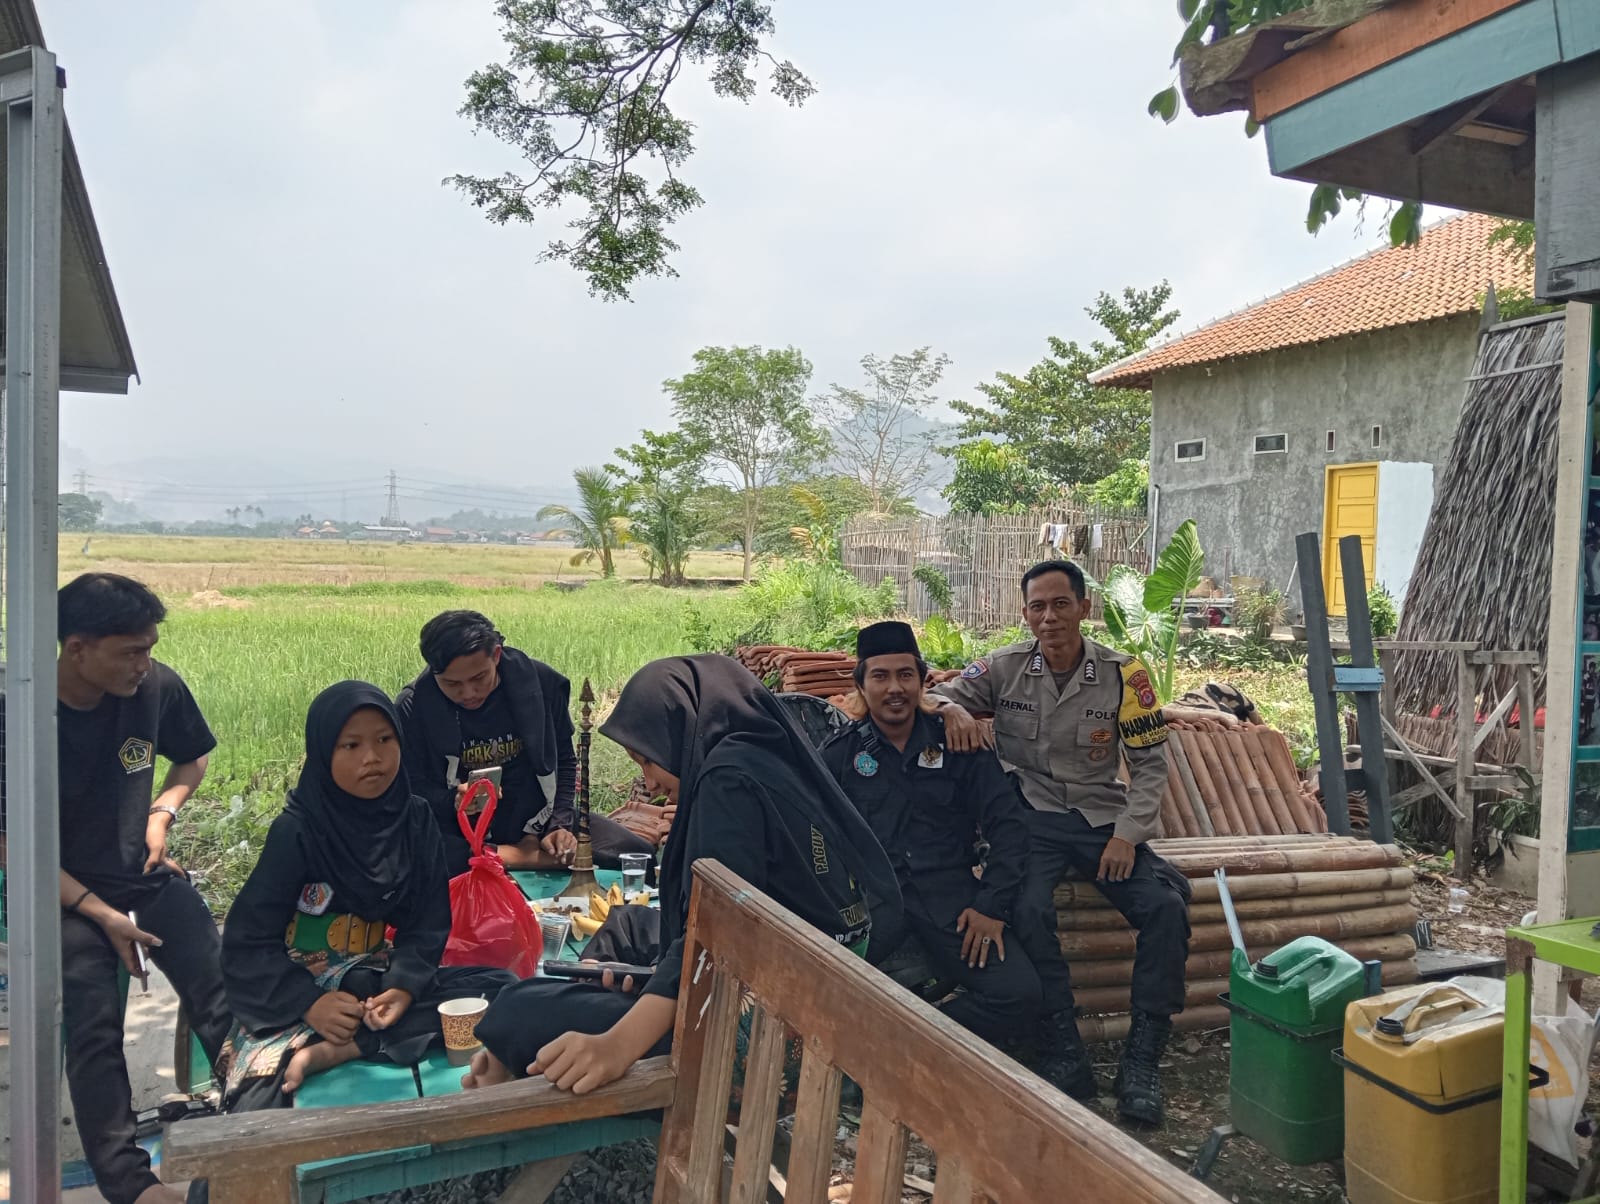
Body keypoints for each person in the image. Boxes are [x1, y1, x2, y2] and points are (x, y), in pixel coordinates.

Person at [463, 654, 901, 1096]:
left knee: (519, 1007)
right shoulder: (767, 753)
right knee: (628, 923)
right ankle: (597, 983)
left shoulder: (727, 783)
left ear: (682, 730)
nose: (650, 784)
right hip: (803, 969)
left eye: (647, 761)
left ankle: (498, 1089)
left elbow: (714, 936)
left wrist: (616, 1046)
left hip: (769, 1022)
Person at [932, 560, 1191, 1126]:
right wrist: (953, 709)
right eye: (1037, 607)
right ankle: (1064, 1050)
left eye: (1060, 604)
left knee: (1165, 908)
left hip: (1101, 818)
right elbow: (935, 696)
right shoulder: (1003, 668)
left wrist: (1128, 836)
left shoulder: (1126, 675)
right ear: (1026, 614)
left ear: (1083, 608)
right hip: (1029, 818)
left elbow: (1150, 768)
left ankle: (1141, 1061)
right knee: (1026, 909)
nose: (1048, 617)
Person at [0, 573, 230, 1204]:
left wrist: (162, 813)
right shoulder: (16, 710)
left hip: (140, 873)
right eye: (130, 651)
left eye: (149, 648)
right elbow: (8, 841)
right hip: (58, 891)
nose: (143, 663)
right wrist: (99, 912)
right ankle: (130, 1184)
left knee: (220, 987)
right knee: (93, 1023)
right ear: (77, 648)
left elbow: (193, 756)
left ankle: (256, 1123)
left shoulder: (154, 688)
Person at [218, 681, 514, 1109]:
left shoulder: (414, 820)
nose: (372, 758)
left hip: (374, 980)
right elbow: (248, 941)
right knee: (259, 1099)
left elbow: (427, 923)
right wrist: (311, 1004)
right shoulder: (299, 830)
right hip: (302, 984)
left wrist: (403, 988)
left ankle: (350, 1046)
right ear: (323, 753)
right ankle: (345, 1037)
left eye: (384, 740)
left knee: (502, 989)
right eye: (351, 745)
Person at [819, 622, 1047, 1051]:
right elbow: (815, 835)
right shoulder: (840, 755)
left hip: (950, 901)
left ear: (923, 680)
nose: (894, 688)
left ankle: (905, 1042)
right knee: (820, 986)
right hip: (872, 903)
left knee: (1019, 994)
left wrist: (991, 906)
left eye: (905, 674)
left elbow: (1009, 827)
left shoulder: (958, 744)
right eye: (880, 676)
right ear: (861, 684)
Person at [395, 611, 655, 875]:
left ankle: (513, 855)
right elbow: (410, 786)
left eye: (479, 678)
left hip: (536, 817)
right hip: (458, 828)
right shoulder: (413, 706)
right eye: (452, 684)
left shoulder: (540, 685)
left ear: (496, 655)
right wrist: (452, 800)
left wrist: (559, 825)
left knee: (636, 854)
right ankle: (523, 858)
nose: (468, 693)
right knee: (414, 853)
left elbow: (564, 760)